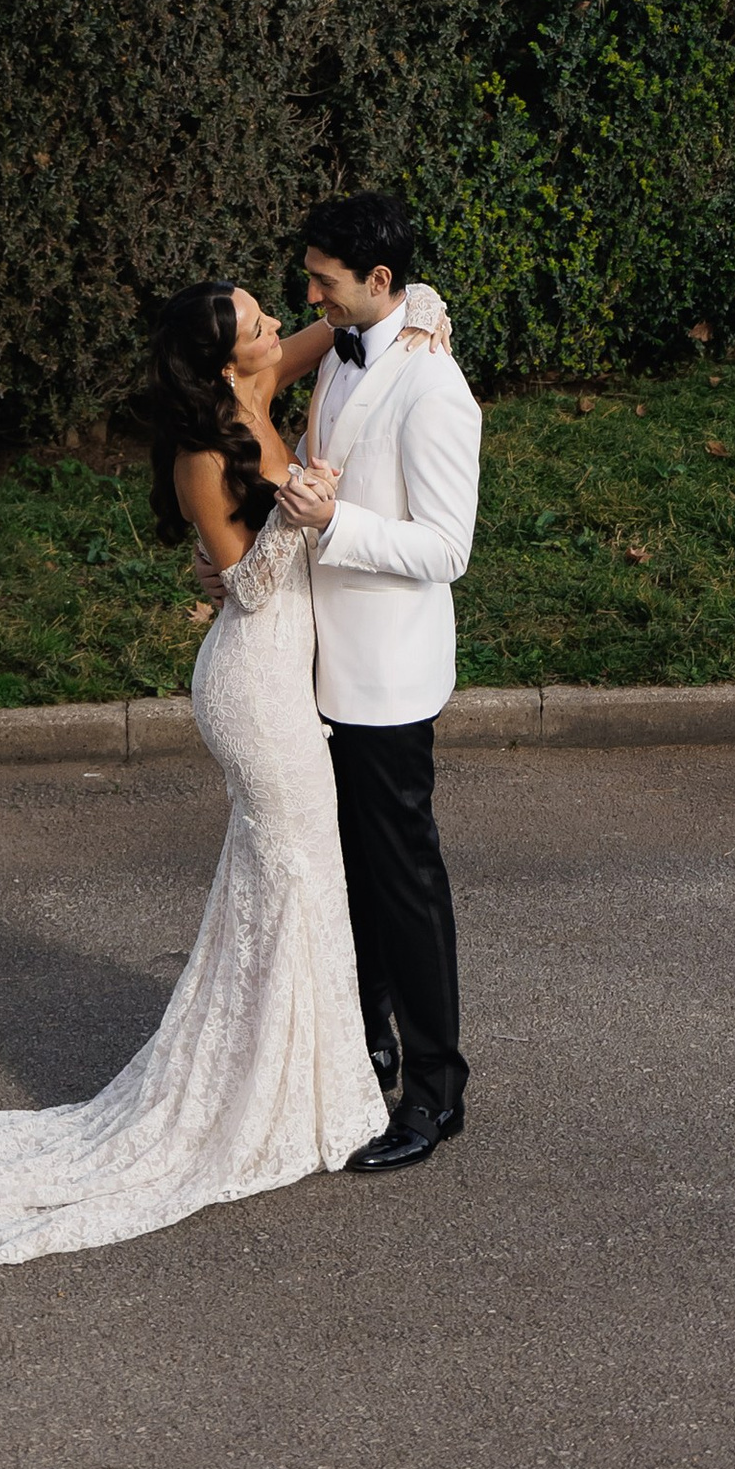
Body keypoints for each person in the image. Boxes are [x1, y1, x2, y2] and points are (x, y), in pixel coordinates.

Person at [0, 261, 450, 1263]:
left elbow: (355, 314)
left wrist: (423, 308)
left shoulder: (262, 385)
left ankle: (307, 1073)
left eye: (267, 312)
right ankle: (279, 1091)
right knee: (300, 874)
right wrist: (295, 514)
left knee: (296, 879)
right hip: (253, 687)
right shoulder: (200, 452)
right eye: (258, 321)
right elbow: (248, 590)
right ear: (225, 360)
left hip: (293, 676)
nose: (280, 321)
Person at [277, 189, 483, 1177]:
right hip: (321, 659)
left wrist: (335, 525)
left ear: (381, 280)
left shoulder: (434, 389)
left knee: (404, 885)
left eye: (325, 281)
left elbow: (447, 549)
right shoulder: (351, 342)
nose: (312, 295)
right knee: (350, 872)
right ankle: (370, 1041)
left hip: (387, 681)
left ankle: (437, 1092)